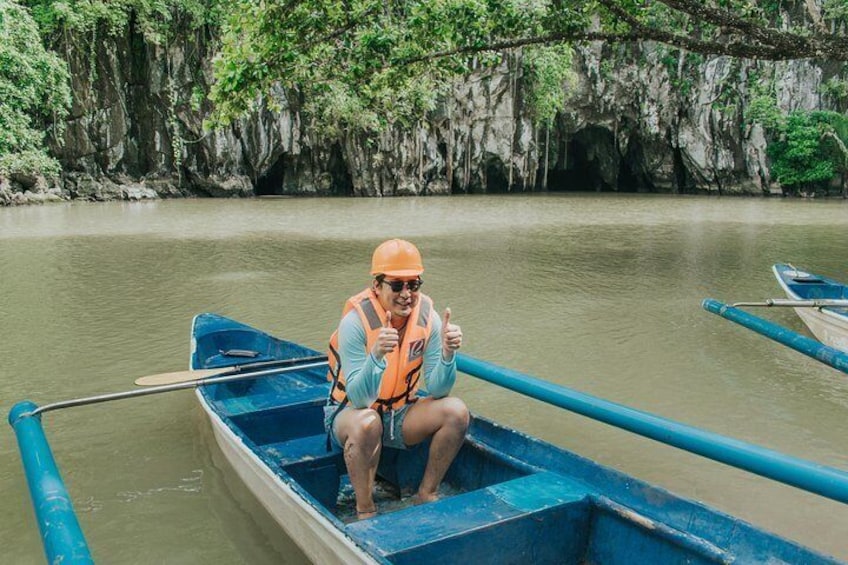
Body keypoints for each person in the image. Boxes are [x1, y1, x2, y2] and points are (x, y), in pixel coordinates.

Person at [325, 239, 469, 520]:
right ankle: (365, 508)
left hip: (399, 413)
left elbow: (439, 388)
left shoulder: (428, 318)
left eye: (413, 285)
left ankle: (426, 493)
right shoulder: (355, 323)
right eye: (397, 285)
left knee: (456, 411)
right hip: (351, 416)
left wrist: (449, 354)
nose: (407, 294)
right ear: (377, 286)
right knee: (368, 421)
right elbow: (360, 399)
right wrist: (377, 355)